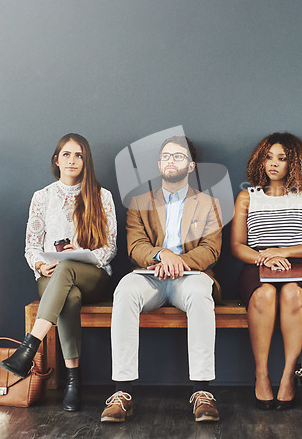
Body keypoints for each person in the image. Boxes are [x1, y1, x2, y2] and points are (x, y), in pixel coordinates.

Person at [101, 136, 222, 423]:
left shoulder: (209, 203)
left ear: (190, 165)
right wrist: (162, 255)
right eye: (166, 156)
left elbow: (211, 249)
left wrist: (178, 262)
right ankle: (122, 393)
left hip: (191, 275)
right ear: (158, 164)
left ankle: (202, 392)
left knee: (200, 295)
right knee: (125, 291)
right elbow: (134, 246)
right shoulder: (140, 202)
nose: (171, 161)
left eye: (178, 157)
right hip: (149, 275)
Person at [1, 133, 117, 411]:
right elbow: (31, 245)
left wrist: (79, 254)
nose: (72, 160)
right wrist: (40, 264)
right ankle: (73, 381)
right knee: (70, 297)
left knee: (69, 269)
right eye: (66, 154)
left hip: (93, 275)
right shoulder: (42, 197)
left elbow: (110, 247)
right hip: (50, 276)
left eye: (78, 155)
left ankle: (29, 347)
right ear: (56, 160)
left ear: (85, 161)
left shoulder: (102, 196)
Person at [231, 132, 302, 410]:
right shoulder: (247, 196)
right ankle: (261, 375)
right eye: (268, 157)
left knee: (293, 296)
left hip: (299, 264)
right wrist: (264, 258)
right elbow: (237, 246)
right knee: (264, 296)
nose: (273, 163)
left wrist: (283, 252)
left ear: (294, 163)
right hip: (257, 266)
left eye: (282, 158)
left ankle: (287, 377)